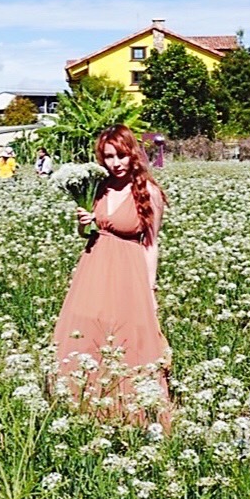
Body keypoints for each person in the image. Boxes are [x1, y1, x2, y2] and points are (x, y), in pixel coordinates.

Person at [52, 124, 171, 430]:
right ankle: (85, 405)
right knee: (87, 328)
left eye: (120, 155)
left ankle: (132, 411)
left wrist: (149, 290)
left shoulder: (150, 193)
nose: (115, 163)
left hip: (128, 272)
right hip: (94, 265)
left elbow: (151, 244)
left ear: (133, 154)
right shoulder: (98, 187)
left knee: (127, 336)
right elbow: (84, 232)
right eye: (108, 157)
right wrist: (84, 222)